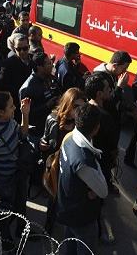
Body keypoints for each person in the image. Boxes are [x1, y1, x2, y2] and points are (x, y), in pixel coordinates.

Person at [0, 91, 30, 249]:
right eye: (11, 106)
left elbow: (22, 135)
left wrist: (25, 114)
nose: (14, 107)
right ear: (1, 112)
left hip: (16, 174)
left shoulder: (9, 121)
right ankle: (7, 245)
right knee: (4, 215)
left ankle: (20, 232)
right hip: (3, 181)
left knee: (19, 205)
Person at [56, 103, 106, 255]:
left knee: (70, 245)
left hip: (67, 206)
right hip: (81, 216)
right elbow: (103, 191)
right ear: (96, 128)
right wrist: (94, 191)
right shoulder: (83, 161)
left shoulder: (69, 138)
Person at [40, 88, 86, 233]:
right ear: (67, 104)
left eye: (81, 106)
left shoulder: (81, 122)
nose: (79, 110)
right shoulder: (53, 119)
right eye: (76, 106)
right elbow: (45, 138)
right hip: (55, 167)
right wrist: (42, 144)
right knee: (53, 199)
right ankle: (49, 224)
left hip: (71, 167)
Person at [85, 73, 120, 193]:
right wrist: (114, 154)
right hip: (103, 158)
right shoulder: (105, 117)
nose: (110, 89)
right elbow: (112, 143)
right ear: (99, 94)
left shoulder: (83, 109)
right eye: (107, 88)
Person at [19, 52, 60, 144]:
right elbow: (27, 114)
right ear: (39, 67)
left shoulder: (49, 78)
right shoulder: (28, 88)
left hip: (51, 126)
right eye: (48, 63)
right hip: (37, 133)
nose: (52, 65)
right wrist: (46, 105)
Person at [0, 34, 33, 121]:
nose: (22, 51)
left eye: (25, 48)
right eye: (18, 49)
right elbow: (4, 87)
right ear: (14, 49)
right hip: (17, 105)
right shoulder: (7, 65)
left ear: (29, 47)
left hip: (33, 103)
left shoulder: (34, 60)